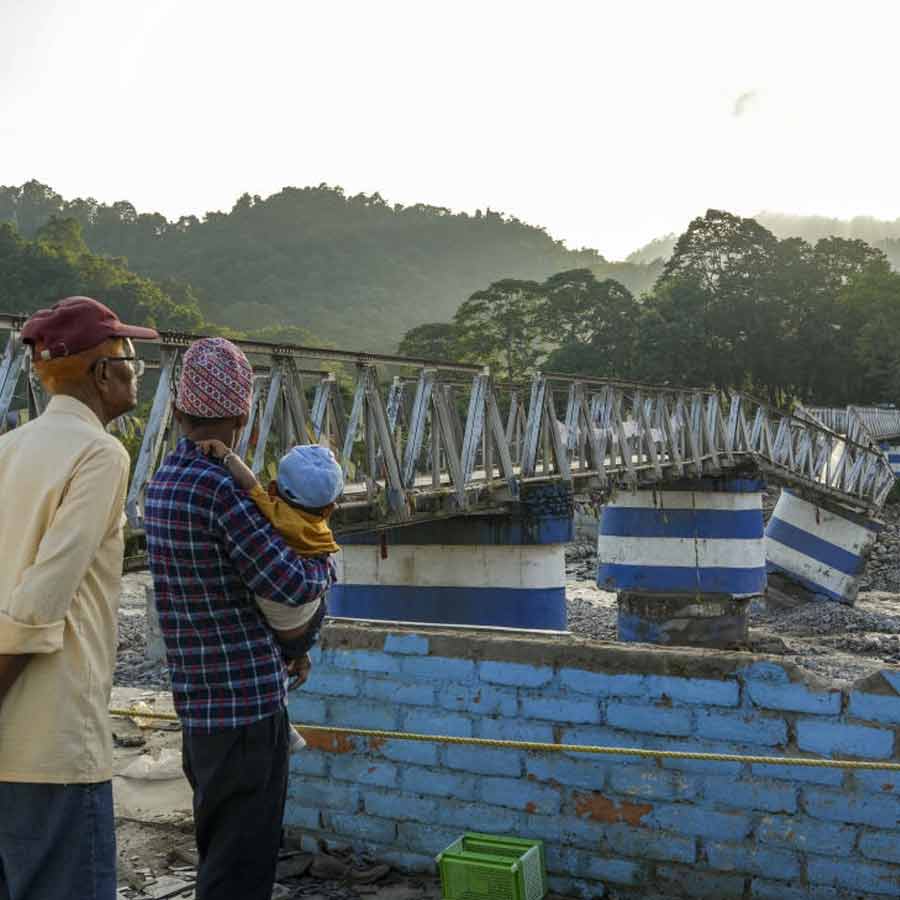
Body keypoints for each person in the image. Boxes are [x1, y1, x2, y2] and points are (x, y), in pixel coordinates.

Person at [144, 337, 335, 900]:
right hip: (247, 708)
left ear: (178, 411)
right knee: (243, 867)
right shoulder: (219, 491)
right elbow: (291, 584)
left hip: (197, 705)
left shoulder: (162, 485)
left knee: (219, 852)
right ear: (244, 418)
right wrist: (328, 567)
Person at [0, 296, 157, 900]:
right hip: (56, 746)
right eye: (129, 358)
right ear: (100, 372)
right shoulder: (99, 453)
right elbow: (42, 600)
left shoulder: (10, 450)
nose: (135, 371)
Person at [195, 440, 343, 752]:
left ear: (274, 488)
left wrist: (228, 456)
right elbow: (322, 573)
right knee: (323, 598)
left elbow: (249, 483)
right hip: (301, 630)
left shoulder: (266, 513)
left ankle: (283, 720)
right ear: (330, 508)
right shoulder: (321, 534)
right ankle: (284, 716)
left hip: (270, 622)